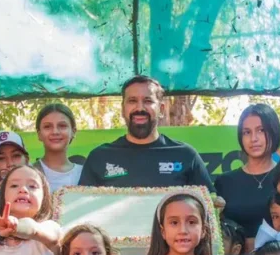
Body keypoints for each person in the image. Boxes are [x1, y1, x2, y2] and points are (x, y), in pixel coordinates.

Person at [80, 76, 214, 189]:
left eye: (148, 101)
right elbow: (83, 213)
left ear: (161, 109)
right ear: (122, 109)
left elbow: (209, 209)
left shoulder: (186, 155)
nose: (139, 108)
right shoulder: (99, 157)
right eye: (132, 101)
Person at [216, 104, 280, 242]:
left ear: (274, 132)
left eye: (261, 130)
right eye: (247, 132)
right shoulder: (225, 182)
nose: (254, 139)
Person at [35, 103, 83, 192]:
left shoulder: (85, 173)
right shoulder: (29, 173)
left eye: (62, 126)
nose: (55, 132)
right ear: (39, 134)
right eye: (47, 127)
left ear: (73, 132)